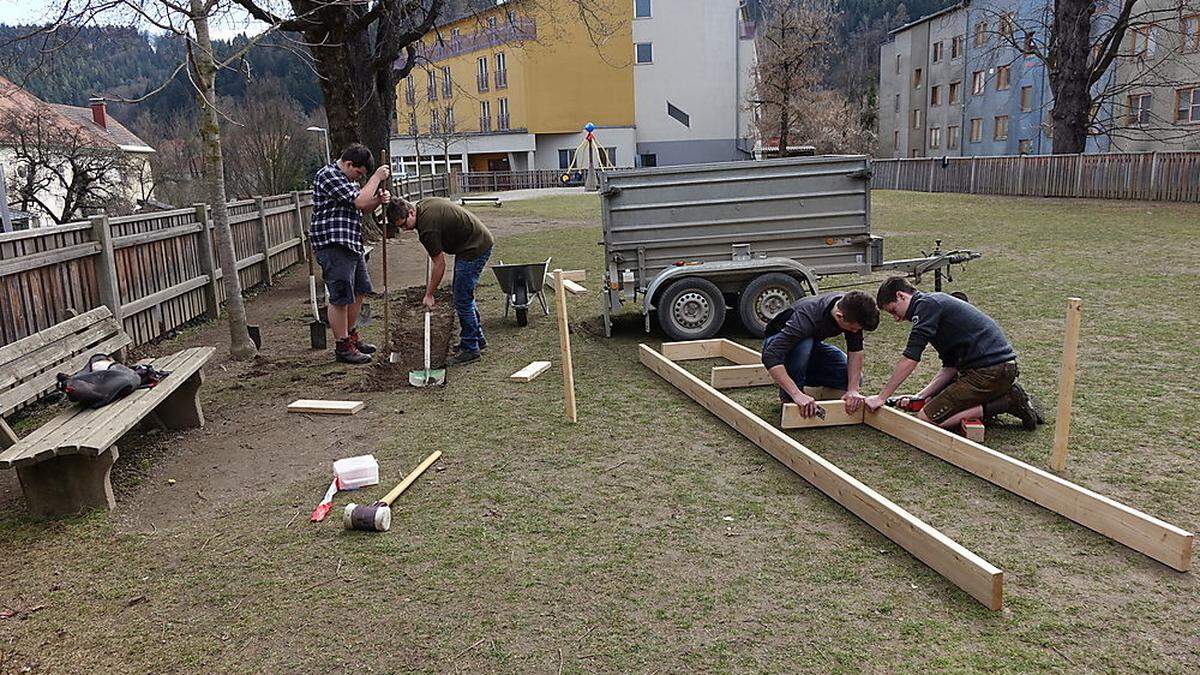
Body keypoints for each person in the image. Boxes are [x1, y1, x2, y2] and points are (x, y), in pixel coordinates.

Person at [863, 277, 1041, 430]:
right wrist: (920, 396)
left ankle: (1007, 400)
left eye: (894, 310)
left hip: (991, 371)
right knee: (929, 403)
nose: (897, 319)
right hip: (990, 370)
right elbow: (950, 367)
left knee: (926, 419)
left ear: (901, 296)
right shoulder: (931, 305)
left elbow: (910, 358)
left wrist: (881, 397)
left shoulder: (926, 306)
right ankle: (998, 394)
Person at [309, 144, 391, 364]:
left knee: (360, 291)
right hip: (333, 244)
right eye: (358, 172)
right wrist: (375, 177)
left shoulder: (347, 180)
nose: (359, 178)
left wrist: (379, 201)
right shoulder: (328, 176)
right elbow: (360, 200)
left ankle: (352, 336)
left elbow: (363, 207)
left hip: (352, 243)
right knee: (340, 297)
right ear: (347, 163)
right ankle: (343, 346)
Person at [390, 197, 494, 365]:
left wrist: (429, 294)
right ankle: (477, 338)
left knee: (462, 298)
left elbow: (439, 264)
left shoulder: (427, 229)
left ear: (411, 212)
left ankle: (470, 348)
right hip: (470, 242)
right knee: (463, 294)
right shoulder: (421, 207)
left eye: (404, 224)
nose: (404, 230)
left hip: (475, 246)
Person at [761, 291, 880, 418]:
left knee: (853, 378)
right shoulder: (806, 316)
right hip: (778, 346)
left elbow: (855, 351)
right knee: (804, 344)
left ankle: (801, 381)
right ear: (840, 316)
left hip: (809, 349)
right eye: (853, 329)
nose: (855, 332)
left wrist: (853, 390)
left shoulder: (852, 308)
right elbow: (771, 355)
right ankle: (790, 395)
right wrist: (796, 394)